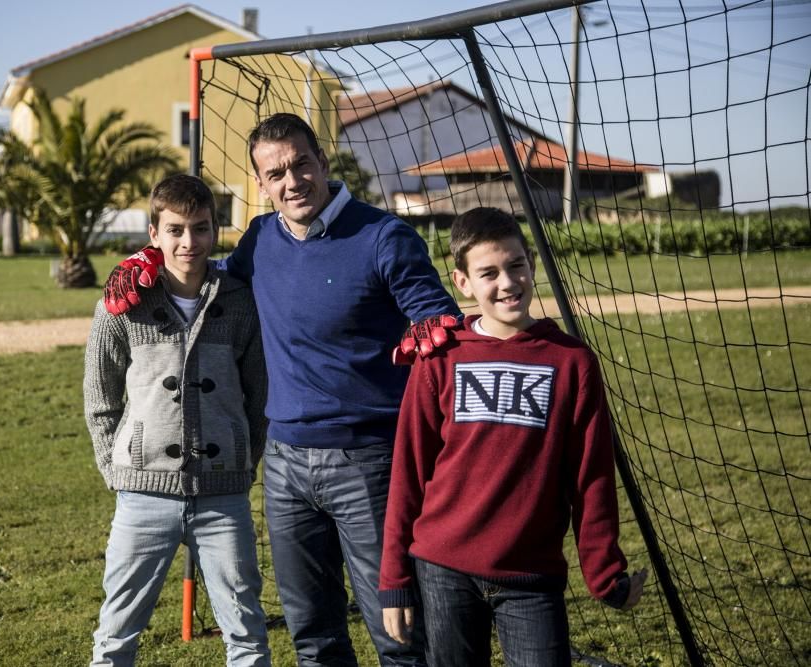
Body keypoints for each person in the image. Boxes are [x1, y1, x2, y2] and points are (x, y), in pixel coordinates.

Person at [102, 113, 461, 665]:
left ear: (321, 161)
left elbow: (437, 321)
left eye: (300, 165)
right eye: (275, 174)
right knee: (312, 634)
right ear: (262, 184)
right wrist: (146, 259)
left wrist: (433, 331)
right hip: (286, 468)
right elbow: (209, 272)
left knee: (398, 630)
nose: (291, 181)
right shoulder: (261, 238)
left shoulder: (384, 236)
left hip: (369, 462)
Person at [379, 207, 648, 666]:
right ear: (462, 282)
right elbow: (409, 472)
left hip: (531, 574)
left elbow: (592, 476)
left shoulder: (571, 362)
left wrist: (604, 574)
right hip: (444, 570)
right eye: (488, 273)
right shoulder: (440, 358)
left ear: (532, 264)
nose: (506, 283)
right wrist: (394, 579)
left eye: (515, 265)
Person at [83, 174, 271, 667]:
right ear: (154, 233)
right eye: (176, 230)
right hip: (142, 494)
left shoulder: (241, 301)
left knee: (247, 632)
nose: (190, 242)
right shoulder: (124, 301)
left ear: (216, 230)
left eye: (201, 228)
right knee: (116, 633)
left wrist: (239, 458)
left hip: (223, 494)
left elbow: (260, 395)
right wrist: (117, 468)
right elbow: (99, 397)